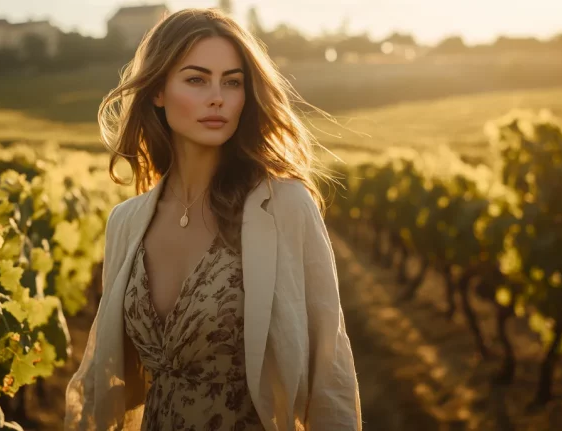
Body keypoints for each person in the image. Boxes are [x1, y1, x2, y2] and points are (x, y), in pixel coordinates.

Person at [65, 7, 361, 431]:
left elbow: (331, 373)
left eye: (232, 82)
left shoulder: (286, 206)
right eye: (196, 79)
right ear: (158, 91)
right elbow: (106, 381)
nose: (217, 97)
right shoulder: (125, 222)